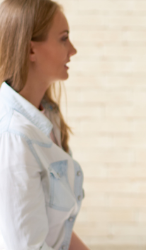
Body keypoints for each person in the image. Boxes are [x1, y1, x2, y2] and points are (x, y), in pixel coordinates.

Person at [0, 0, 89, 249]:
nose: (72, 50)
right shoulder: (13, 138)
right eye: (63, 38)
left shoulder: (48, 116)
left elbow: (58, 231)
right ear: (31, 50)